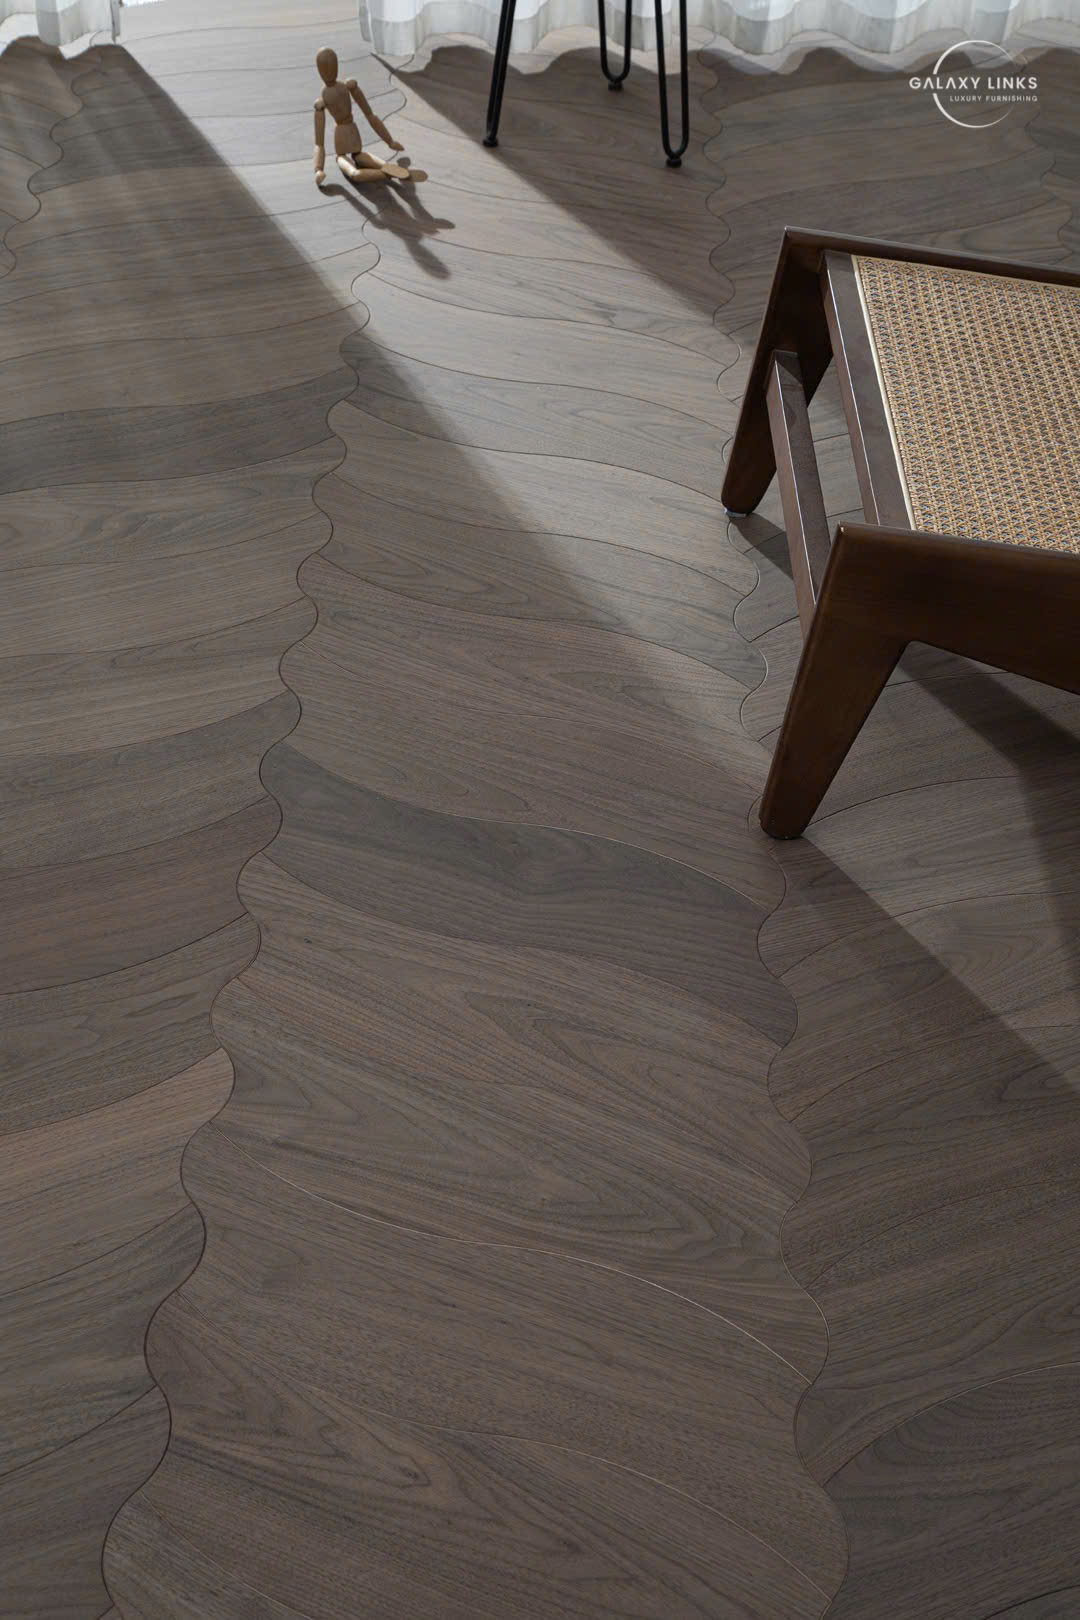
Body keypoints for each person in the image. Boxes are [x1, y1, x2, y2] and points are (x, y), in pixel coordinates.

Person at [313, 47, 424, 185]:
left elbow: (370, 115)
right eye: (325, 67)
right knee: (356, 171)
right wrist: (318, 169)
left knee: (358, 167)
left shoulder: (343, 89)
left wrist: (389, 141)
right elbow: (319, 143)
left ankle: (388, 172)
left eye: (331, 66)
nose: (329, 71)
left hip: (349, 140)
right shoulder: (332, 96)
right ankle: (388, 172)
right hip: (348, 140)